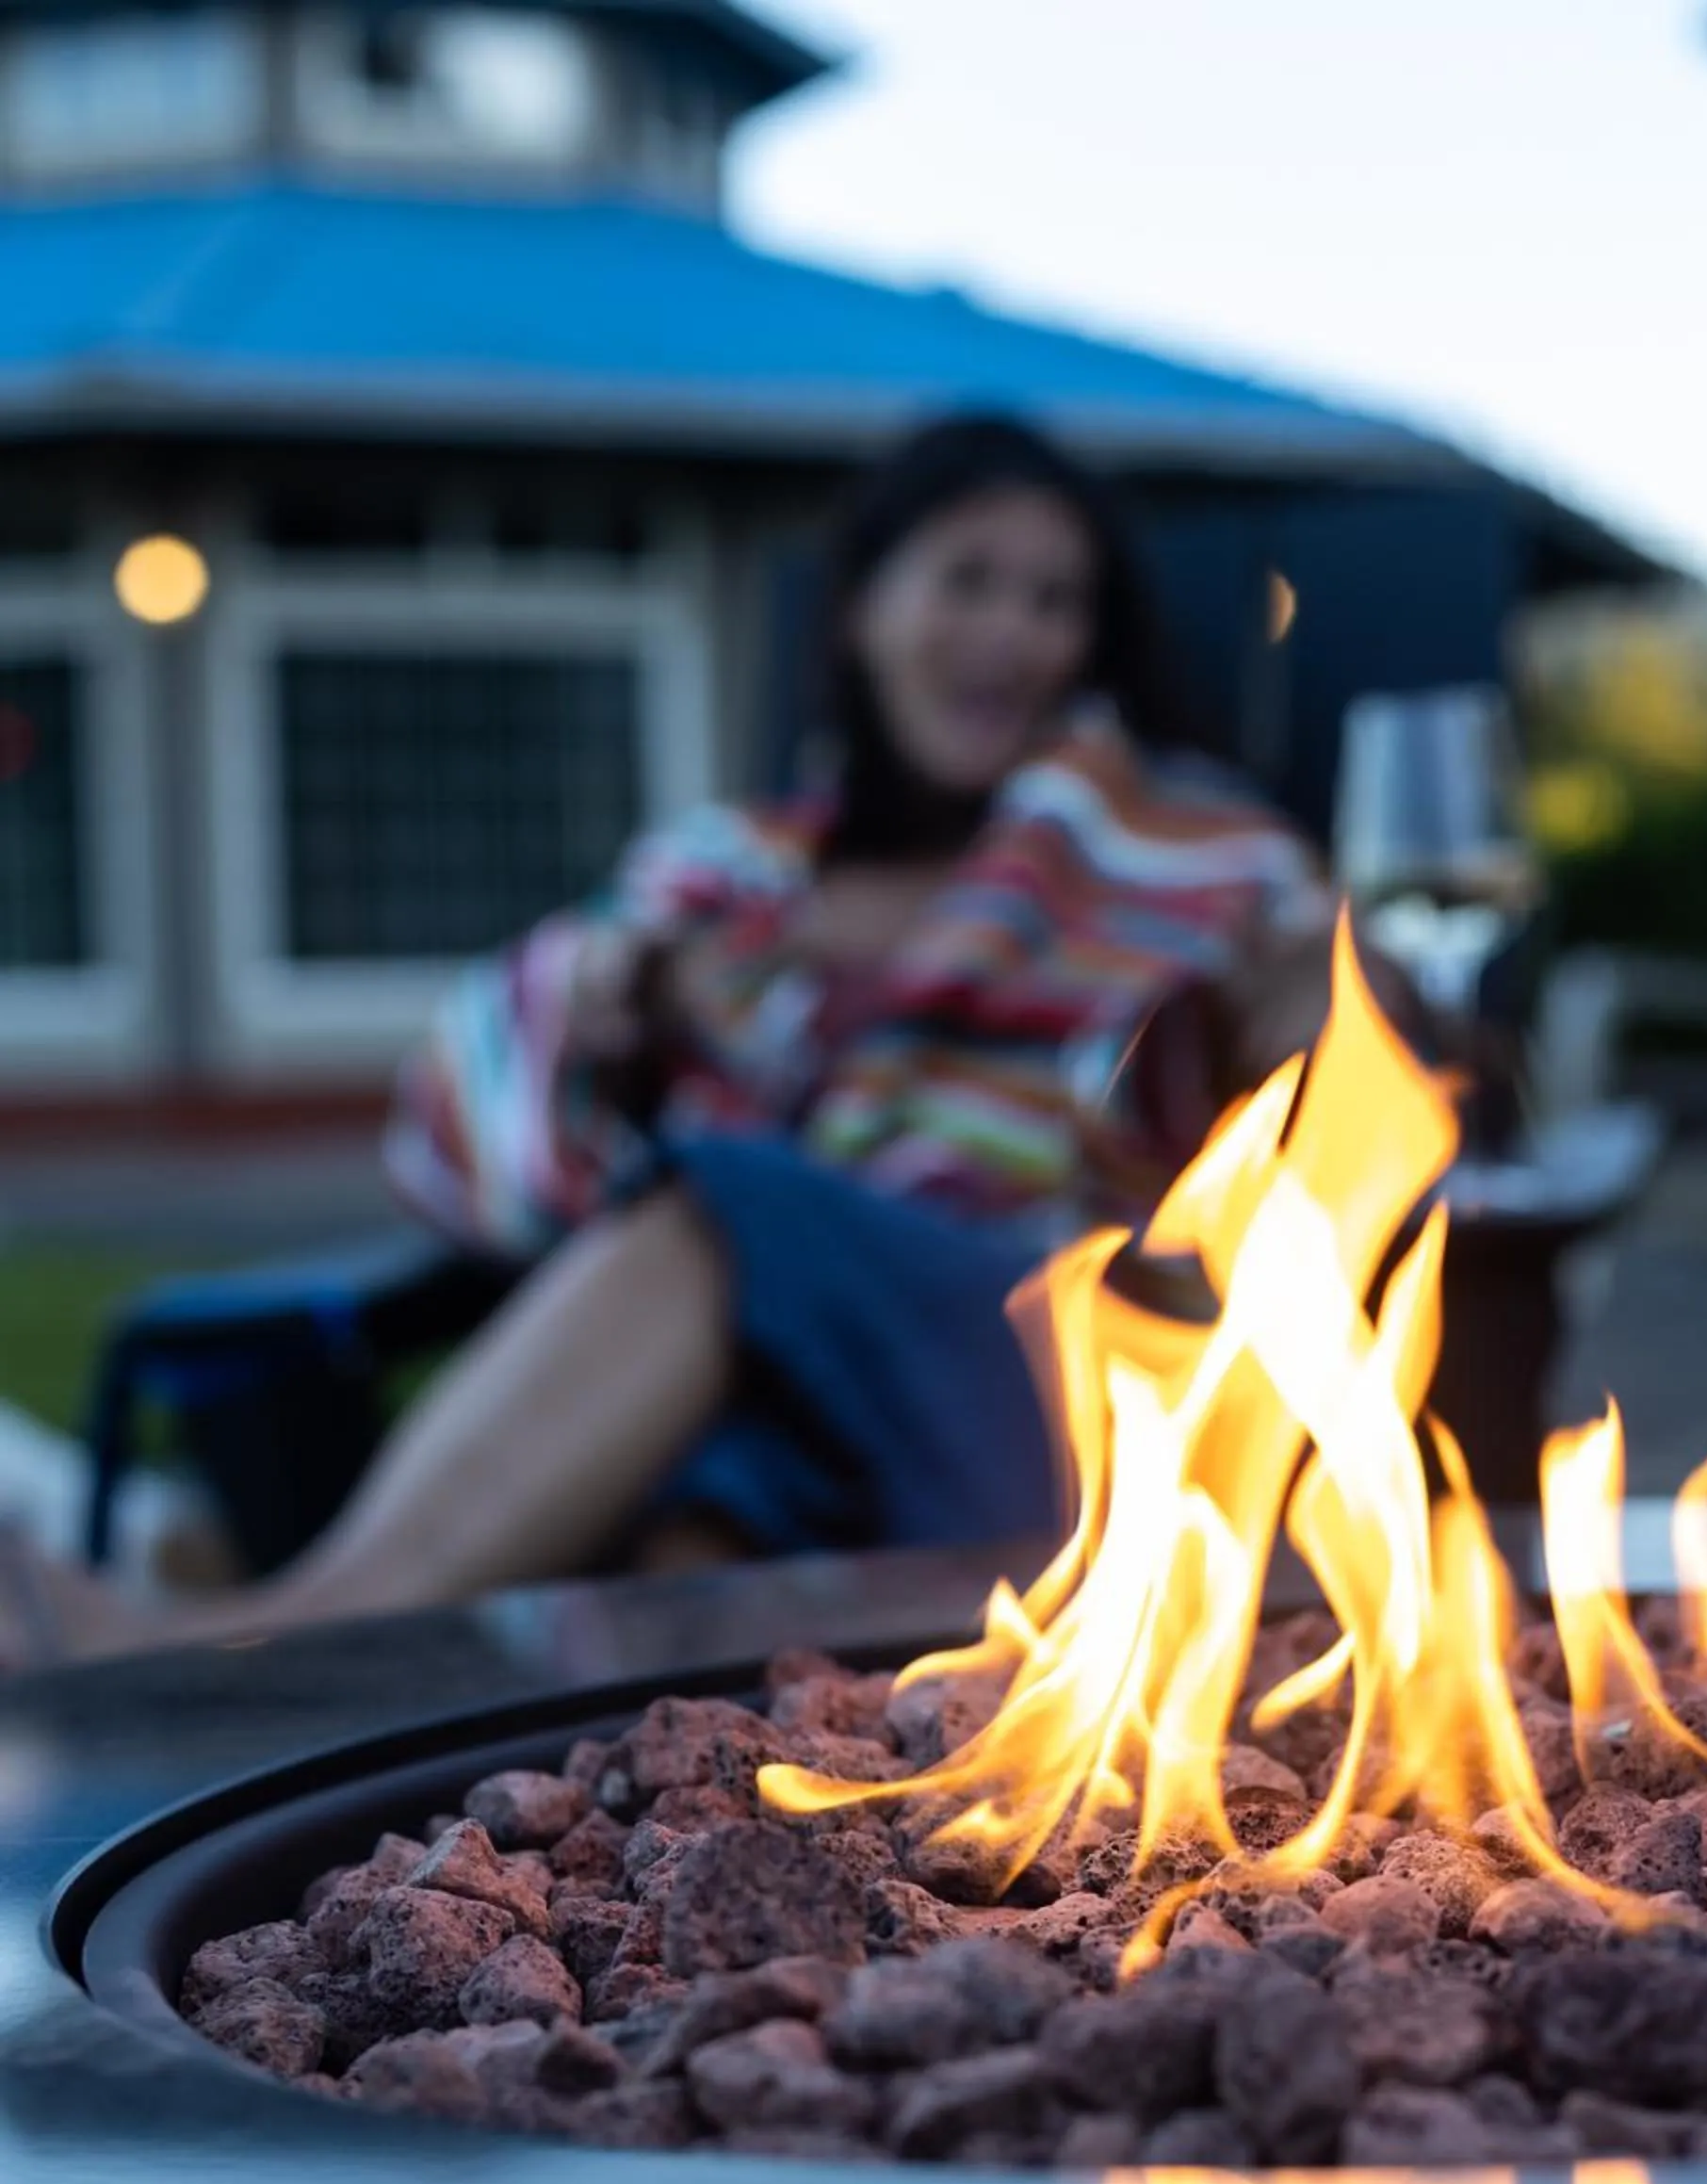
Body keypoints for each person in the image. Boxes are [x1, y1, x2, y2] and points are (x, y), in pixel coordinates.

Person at [0, 412, 1344, 1666]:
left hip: (1045, 1371)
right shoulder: (734, 875)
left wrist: (1312, 1007)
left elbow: (1343, 1048)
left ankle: (274, 1654)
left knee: (728, 1202)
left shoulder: (1190, 858)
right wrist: (614, 1010)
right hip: (784, 1399)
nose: (1013, 631)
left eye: (1055, 601)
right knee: (703, 1517)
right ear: (865, 608)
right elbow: (475, 1119)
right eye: (969, 581)